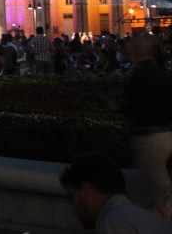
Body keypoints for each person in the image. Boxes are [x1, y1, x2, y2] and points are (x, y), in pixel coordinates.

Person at [59, 151, 172, 234]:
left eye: (72, 197)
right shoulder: (126, 217)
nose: (73, 210)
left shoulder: (114, 222)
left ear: (86, 192)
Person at [123, 31, 172, 208]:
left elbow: (130, 109)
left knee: (161, 192)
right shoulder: (161, 74)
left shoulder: (139, 77)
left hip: (149, 139)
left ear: (137, 52)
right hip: (165, 135)